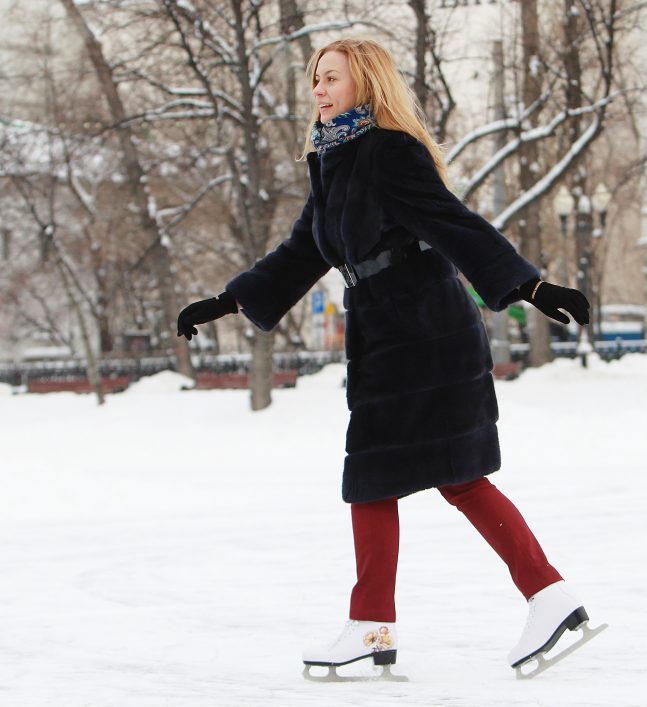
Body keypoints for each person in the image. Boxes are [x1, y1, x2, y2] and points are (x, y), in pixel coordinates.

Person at [176, 38, 598, 678]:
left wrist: (532, 287)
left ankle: (392, 621)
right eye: (315, 78)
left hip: (425, 330)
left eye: (332, 78)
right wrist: (225, 302)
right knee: (427, 477)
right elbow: (302, 251)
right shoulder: (333, 159)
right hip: (385, 332)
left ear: (365, 83)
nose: (318, 89)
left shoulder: (387, 151)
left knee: (400, 475)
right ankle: (540, 597)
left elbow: (454, 224)